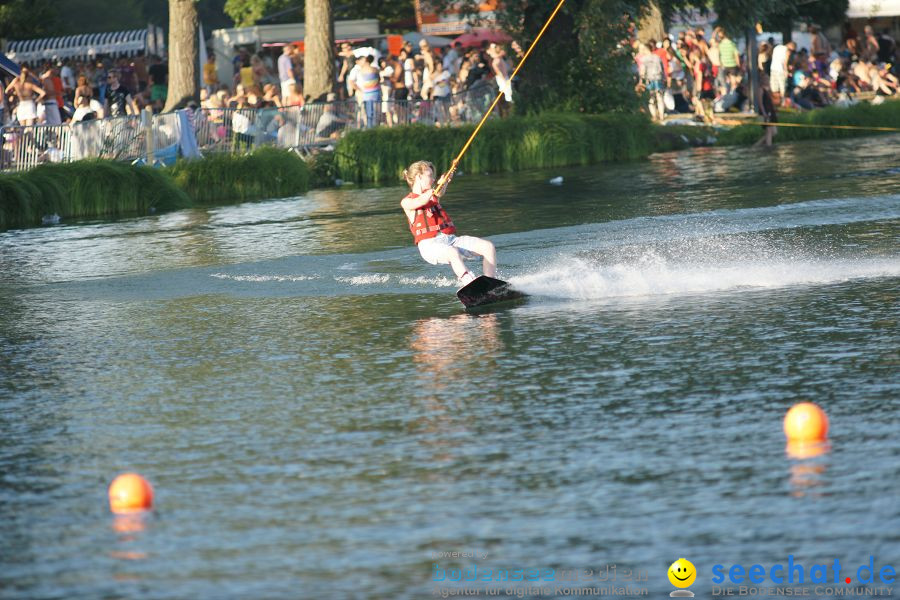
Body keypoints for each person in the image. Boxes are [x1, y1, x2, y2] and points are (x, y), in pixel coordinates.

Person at [400, 161, 497, 287]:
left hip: (450, 240)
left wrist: (446, 179)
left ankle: (491, 284)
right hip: (429, 246)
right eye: (430, 176)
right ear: (419, 177)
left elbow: (439, 193)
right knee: (452, 252)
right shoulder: (407, 202)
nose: (433, 179)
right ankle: (469, 282)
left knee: (488, 247)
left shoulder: (433, 196)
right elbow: (421, 200)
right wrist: (436, 187)